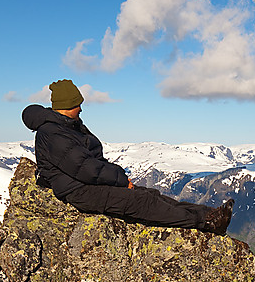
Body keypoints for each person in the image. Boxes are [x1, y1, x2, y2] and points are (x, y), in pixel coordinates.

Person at [22, 80, 233, 235]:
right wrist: (121, 179)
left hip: (83, 184)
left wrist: (119, 179)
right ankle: (205, 224)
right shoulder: (53, 133)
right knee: (141, 202)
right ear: (69, 105)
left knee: (150, 194)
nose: (81, 108)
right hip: (77, 191)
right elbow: (85, 168)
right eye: (78, 103)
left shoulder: (66, 126)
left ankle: (209, 214)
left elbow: (89, 163)